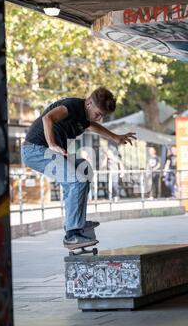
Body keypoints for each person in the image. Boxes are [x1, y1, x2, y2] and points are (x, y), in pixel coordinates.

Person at [21, 87, 136, 249]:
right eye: (98, 114)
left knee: (84, 171)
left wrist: (115, 137)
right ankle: (72, 234)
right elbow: (48, 118)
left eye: (102, 116)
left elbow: (92, 126)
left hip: (48, 151)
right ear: (89, 103)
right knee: (76, 181)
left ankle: (75, 222)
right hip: (35, 150)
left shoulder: (85, 117)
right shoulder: (71, 106)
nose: (100, 119)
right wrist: (52, 144)